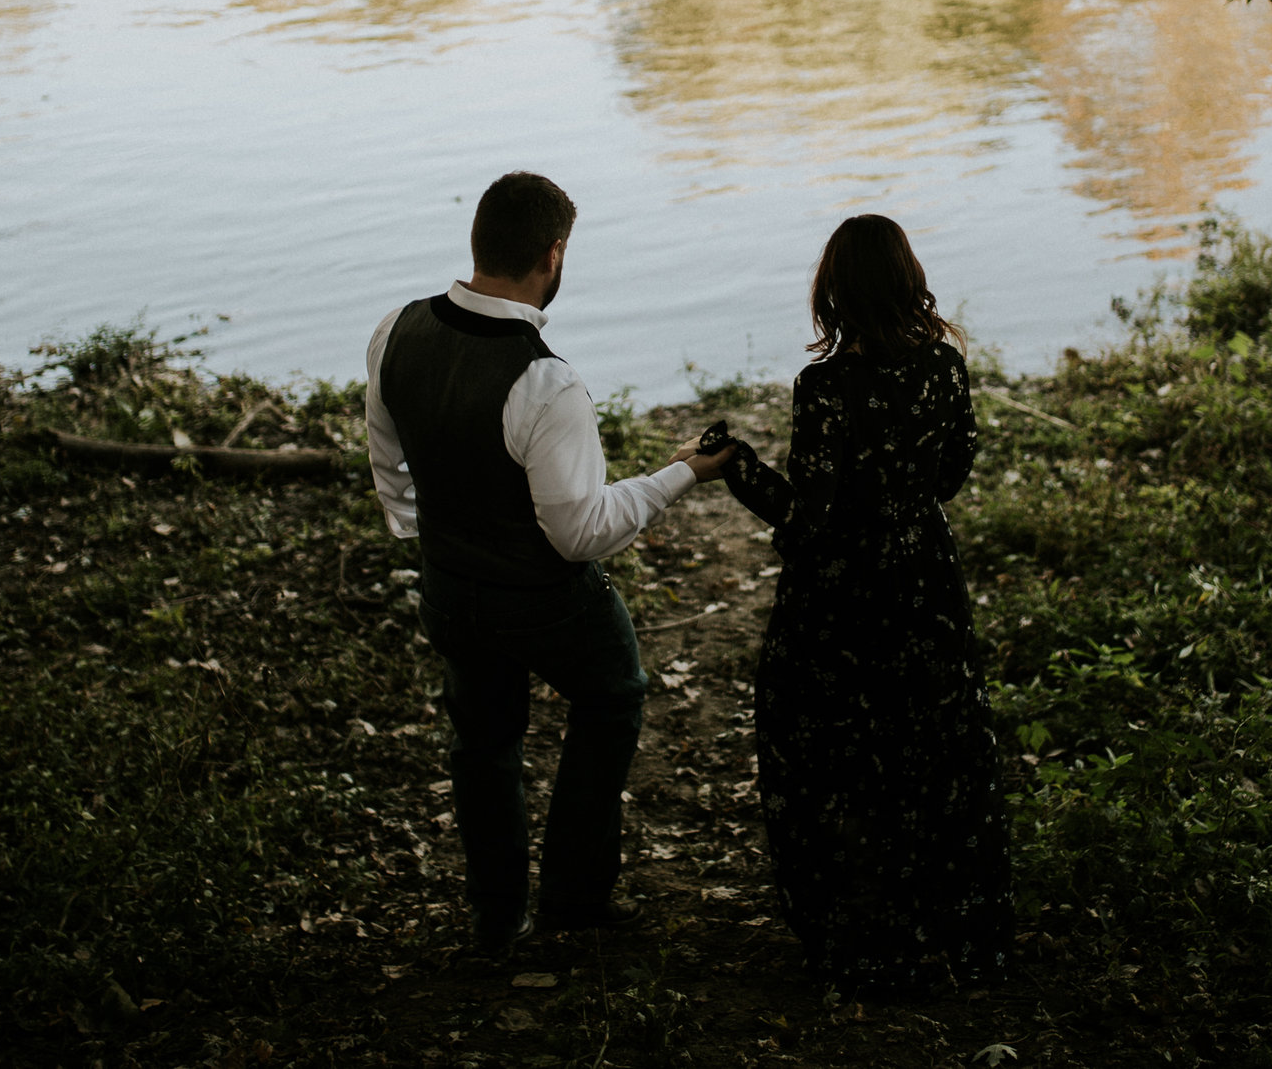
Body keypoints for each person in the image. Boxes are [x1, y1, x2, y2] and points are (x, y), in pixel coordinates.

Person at [365, 172, 734, 952]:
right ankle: (573, 893)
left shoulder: (395, 330)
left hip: (450, 587)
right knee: (613, 696)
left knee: (484, 739)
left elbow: (390, 468)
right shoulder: (546, 380)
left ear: (479, 241)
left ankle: (497, 916)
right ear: (553, 254)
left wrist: (431, 537)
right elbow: (581, 533)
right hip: (543, 598)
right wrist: (683, 472)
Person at [714, 213, 1011, 994]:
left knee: (835, 752)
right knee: (932, 741)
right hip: (924, 576)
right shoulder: (947, 365)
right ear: (908, 280)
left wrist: (737, 466)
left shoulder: (826, 387)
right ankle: (947, 917)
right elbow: (954, 468)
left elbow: (811, 516)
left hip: (842, 593)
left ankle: (857, 926)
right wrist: (904, 506)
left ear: (833, 291)